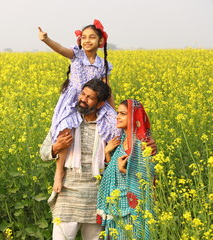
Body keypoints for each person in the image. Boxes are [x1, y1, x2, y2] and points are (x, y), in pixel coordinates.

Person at [40, 79, 157, 240]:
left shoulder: (110, 127)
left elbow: (131, 142)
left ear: (100, 104)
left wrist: (149, 145)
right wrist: (56, 147)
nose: (83, 99)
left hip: (98, 196)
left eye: (90, 97)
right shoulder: (65, 122)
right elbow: (44, 152)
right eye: (82, 94)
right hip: (67, 194)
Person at [38, 19, 113, 194]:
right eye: (84, 37)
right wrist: (46, 39)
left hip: (94, 100)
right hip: (73, 99)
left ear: (100, 42)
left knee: (112, 128)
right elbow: (61, 49)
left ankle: (109, 169)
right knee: (65, 130)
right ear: (80, 40)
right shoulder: (77, 54)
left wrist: (113, 111)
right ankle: (59, 171)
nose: (87, 41)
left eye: (92, 37)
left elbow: (108, 89)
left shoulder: (103, 64)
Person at [97, 99, 156, 240]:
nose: (117, 116)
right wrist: (107, 153)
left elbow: (147, 182)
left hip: (132, 212)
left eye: (123, 114)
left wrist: (124, 171)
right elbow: (114, 174)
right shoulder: (121, 141)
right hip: (116, 208)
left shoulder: (142, 145)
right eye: (117, 113)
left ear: (134, 117)